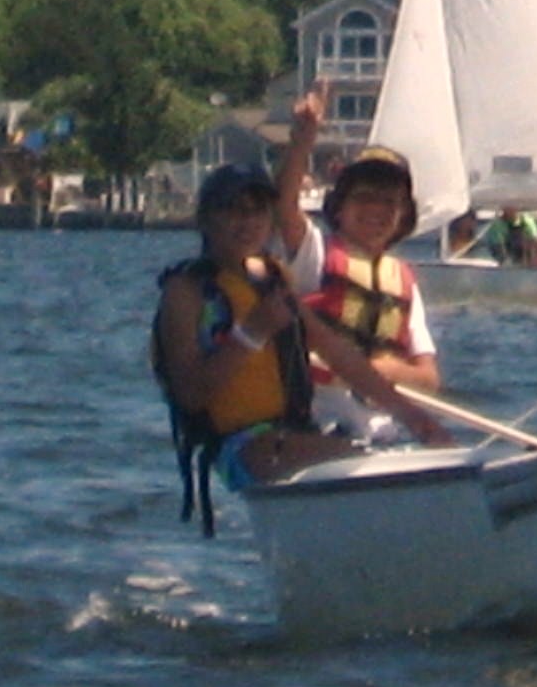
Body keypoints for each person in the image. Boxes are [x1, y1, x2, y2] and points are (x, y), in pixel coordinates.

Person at [152, 163, 432, 534]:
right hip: (241, 443)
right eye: (234, 210)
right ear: (206, 219)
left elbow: (336, 352)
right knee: (361, 460)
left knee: (390, 456)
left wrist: (413, 416)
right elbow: (190, 394)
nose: (248, 222)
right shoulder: (186, 292)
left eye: (258, 211)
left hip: (295, 430)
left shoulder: (272, 279)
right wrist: (251, 333)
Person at [275, 88, 448, 444]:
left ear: (403, 217)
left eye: (389, 202)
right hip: (318, 423)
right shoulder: (314, 252)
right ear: (339, 207)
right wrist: (302, 140)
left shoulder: (402, 281)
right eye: (364, 197)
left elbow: (428, 379)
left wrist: (387, 370)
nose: (376, 210)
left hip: (383, 430)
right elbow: (284, 206)